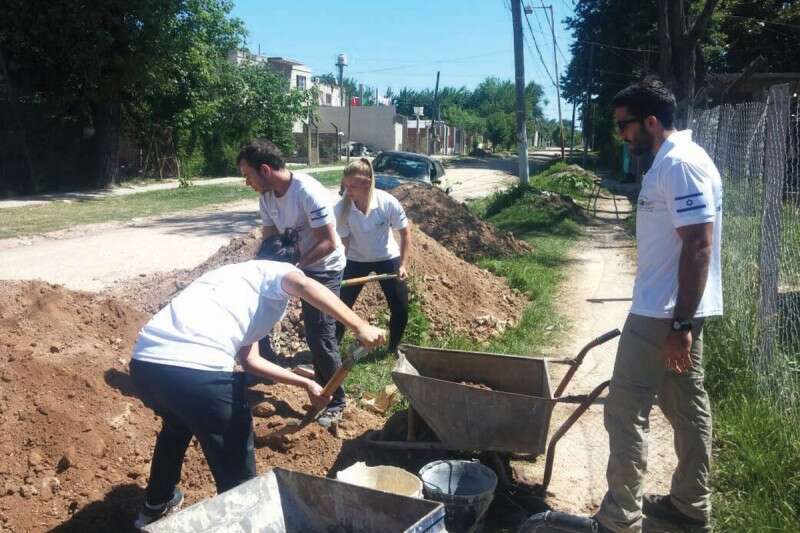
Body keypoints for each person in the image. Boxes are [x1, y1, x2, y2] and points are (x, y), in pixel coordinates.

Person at [129, 237, 385, 528]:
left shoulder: (233, 278)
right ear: (293, 264)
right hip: (199, 371)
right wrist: (359, 325)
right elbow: (303, 285)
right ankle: (249, 523)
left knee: (176, 426)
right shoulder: (277, 271)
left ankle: (155, 504)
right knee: (238, 471)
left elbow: (251, 361)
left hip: (146, 367)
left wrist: (306, 384)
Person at [580, 78, 720, 532]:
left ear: (652, 122)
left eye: (625, 125)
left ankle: (620, 518)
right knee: (685, 407)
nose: (621, 134)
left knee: (625, 409)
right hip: (672, 311)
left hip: (662, 314)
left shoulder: (679, 164)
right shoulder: (676, 160)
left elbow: (698, 245)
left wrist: (680, 324)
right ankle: (690, 506)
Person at [237, 139, 348, 427]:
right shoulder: (267, 196)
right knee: (255, 309)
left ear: (265, 170)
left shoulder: (307, 191)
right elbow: (269, 236)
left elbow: (328, 242)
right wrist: (261, 268)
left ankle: (335, 400)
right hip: (291, 266)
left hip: (323, 267)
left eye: (248, 175)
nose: (247, 182)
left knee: (319, 334)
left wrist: (294, 270)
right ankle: (264, 368)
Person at [334, 158, 412, 352]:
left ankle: (392, 348)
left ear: (367, 183)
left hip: (387, 257)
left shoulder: (387, 202)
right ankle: (332, 350)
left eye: (352, 186)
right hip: (355, 259)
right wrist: (339, 269)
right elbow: (344, 243)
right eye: (345, 185)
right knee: (339, 307)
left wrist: (403, 265)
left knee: (401, 307)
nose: (347, 191)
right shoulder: (341, 208)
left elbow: (405, 233)